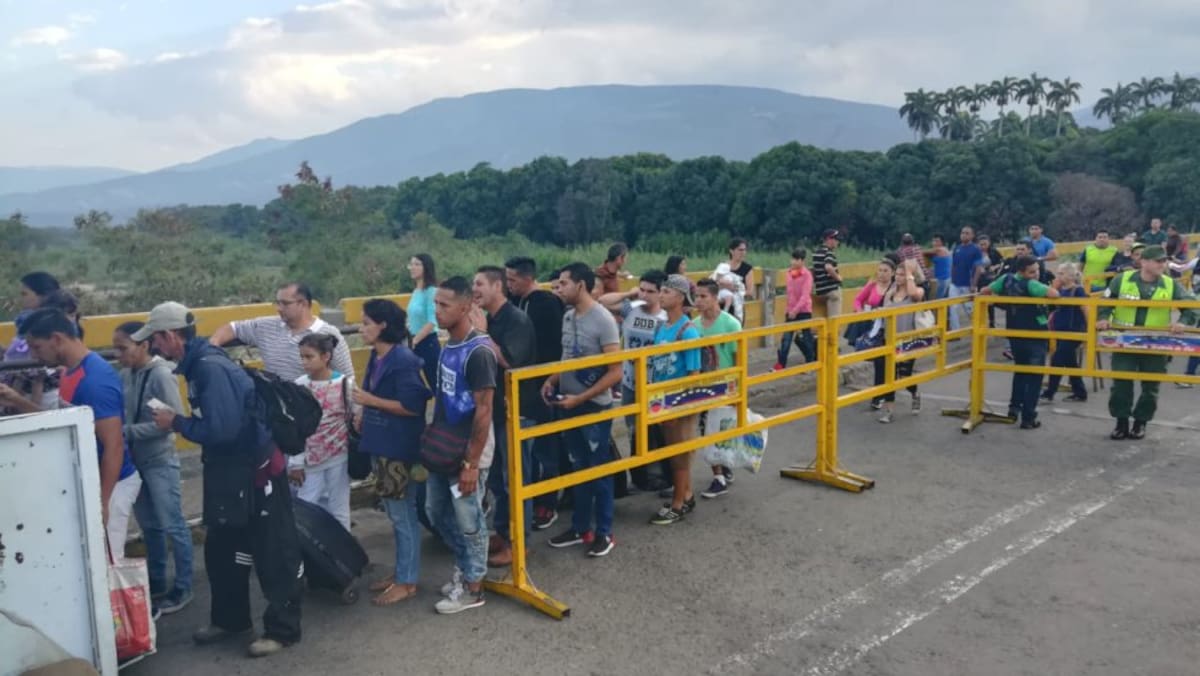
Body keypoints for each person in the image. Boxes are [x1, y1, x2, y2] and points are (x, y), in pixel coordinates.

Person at [137, 302, 303, 657]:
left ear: (170, 336)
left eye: (154, 340)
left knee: (273, 553)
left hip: (257, 474)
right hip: (233, 475)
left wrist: (176, 423)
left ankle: (283, 630)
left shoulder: (209, 369)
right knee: (222, 551)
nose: (153, 348)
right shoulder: (199, 365)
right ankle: (231, 620)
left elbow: (223, 430)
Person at [0, 309, 141, 563]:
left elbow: (114, 446)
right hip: (92, 481)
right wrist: (17, 400)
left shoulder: (95, 380)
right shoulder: (70, 371)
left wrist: (102, 502)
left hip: (110, 484)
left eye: (37, 347)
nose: (34, 355)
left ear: (56, 339)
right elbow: (62, 423)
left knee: (105, 564)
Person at [426, 277, 497, 613]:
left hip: (469, 451)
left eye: (445, 305)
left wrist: (471, 464)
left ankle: (473, 586)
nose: (437, 310)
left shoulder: (478, 351)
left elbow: (484, 410)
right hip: (444, 446)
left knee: (469, 520)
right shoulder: (448, 346)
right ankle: (465, 567)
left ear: (466, 307)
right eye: (436, 304)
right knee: (435, 511)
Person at [113, 321, 193, 616]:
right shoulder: (126, 374)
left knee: (173, 523)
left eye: (123, 348)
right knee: (150, 526)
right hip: (136, 459)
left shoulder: (161, 374)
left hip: (158, 459)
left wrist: (126, 433)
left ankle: (183, 586)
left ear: (144, 345)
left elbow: (173, 419)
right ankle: (158, 581)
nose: (118, 354)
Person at [355, 299, 432, 607]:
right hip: (383, 443)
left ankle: (407, 580)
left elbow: (413, 407)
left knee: (402, 515)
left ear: (382, 325)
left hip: (398, 448)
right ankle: (403, 573)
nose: (361, 329)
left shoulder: (403, 360)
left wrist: (370, 401)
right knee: (398, 513)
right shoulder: (379, 355)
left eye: (365, 323)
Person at [543, 263, 623, 556]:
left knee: (597, 471)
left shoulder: (603, 320)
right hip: (569, 402)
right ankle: (580, 527)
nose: (558, 288)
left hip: (593, 408)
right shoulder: (568, 317)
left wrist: (583, 397)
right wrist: (552, 379)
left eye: (563, 283)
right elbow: (567, 356)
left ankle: (604, 532)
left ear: (581, 285)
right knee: (578, 468)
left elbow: (616, 371)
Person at [1097, 246, 1198, 440]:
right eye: (1158, 261)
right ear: (1143, 262)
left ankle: (1141, 422)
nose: (1163, 264)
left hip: (1155, 343)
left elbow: (1192, 307)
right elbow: (1104, 302)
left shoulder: (1170, 284)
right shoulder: (1122, 279)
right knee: (1121, 383)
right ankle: (1121, 422)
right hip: (1125, 341)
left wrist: (1182, 322)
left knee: (1151, 386)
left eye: (1164, 261)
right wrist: (1102, 317)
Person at [472, 266, 535, 568]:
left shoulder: (516, 320)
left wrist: (482, 334)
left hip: (516, 411)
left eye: (480, 284)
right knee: (496, 478)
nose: (475, 290)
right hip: (494, 408)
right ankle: (503, 531)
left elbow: (509, 360)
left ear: (498, 286)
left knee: (515, 479)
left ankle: (519, 542)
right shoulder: (490, 318)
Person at [504, 256, 566, 529]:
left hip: (543, 385)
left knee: (545, 447)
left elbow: (556, 346)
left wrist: (551, 379)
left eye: (512, 280)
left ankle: (547, 502)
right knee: (525, 450)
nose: (508, 285)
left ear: (528, 279)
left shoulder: (547, 304)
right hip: (520, 387)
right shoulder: (512, 302)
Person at [598, 270, 671, 492]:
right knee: (634, 430)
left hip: (654, 382)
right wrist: (629, 293)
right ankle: (641, 475)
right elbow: (602, 301)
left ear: (661, 293)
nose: (645, 294)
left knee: (658, 430)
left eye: (651, 291)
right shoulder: (632, 310)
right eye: (643, 289)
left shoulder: (665, 319)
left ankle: (664, 476)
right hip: (630, 381)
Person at [979, 255, 1061, 430]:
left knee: (1020, 371)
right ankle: (1029, 417)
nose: (1036, 274)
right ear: (1022, 272)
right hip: (1035, 334)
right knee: (1035, 377)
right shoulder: (1031, 284)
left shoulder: (1006, 279)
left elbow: (985, 290)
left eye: (1037, 270)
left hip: (1014, 332)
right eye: (1032, 271)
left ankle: (1014, 409)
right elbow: (1054, 294)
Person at [210, 282, 352, 382]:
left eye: (285, 303)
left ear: (303, 304)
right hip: (278, 410)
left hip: (316, 410)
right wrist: (213, 346)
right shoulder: (267, 326)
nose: (279, 308)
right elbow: (233, 328)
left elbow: (348, 377)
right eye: (277, 303)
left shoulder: (329, 335)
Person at [647, 274, 703, 526]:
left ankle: (678, 504)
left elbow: (693, 372)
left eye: (667, 292)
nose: (661, 295)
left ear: (680, 298)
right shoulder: (661, 327)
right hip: (661, 398)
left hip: (679, 401)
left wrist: (684, 406)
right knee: (672, 451)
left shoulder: (688, 332)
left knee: (679, 455)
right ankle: (686, 494)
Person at [288, 333, 358, 531]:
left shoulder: (345, 384)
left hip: (339, 455)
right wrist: (296, 462)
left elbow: (355, 415)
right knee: (306, 507)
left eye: (309, 357)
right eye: (302, 357)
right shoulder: (300, 386)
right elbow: (296, 427)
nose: (304, 362)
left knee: (340, 508)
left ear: (326, 356)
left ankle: (343, 554)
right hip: (310, 460)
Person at [693, 279, 742, 499]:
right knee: (706, 430)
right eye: (697, 296)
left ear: (715, 297)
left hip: (725, 385)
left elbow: (737, 359)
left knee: (721, 430)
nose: (699, 301)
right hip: (703, 386)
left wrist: (739, 390)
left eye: (704, 296)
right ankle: (718, 477)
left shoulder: (731, 325)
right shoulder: (693, 325)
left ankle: (722, 468)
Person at [2, 272, 64, 414]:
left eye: (25, 294)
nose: (21, 299)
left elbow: (28, 357)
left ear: (42, 296)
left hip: (38, 391)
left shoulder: (42, 323)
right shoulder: (26, 321)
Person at [878, 259, 927, 423]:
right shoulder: (891, 292)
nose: (899, 278)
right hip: (889, 340)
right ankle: (889, 411)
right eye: (897, 274)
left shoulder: (917, 291)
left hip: (907, 341)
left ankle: (915, 393)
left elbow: (914, 294)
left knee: (905, 376)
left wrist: (910, 274)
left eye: (902, 274)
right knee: (889, 377)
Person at [1040, 263, 1089, 403]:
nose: (1058, 276)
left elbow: (1085, 309)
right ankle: (1080, 392)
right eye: (1058, 273)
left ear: (1070, 276)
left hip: (1074, 330)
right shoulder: (1060, 290)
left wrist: (1090, 329)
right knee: (1070, 362)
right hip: (1061, 330)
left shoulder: (1078, 290)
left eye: (1061, 273)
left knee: (1057, 360)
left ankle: (1050, 392)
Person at [855, 259, 896, 410]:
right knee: (879, 363)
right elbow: (858, 300)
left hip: (890, 329)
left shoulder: (895, 288)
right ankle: (879, 395)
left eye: (886, 271)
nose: (882, 274)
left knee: (889, 364)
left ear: (892, 273)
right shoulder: (872, 286)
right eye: (880, 270)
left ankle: (883, 395)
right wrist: (860, 313)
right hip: (874, 328)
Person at [775, 248, 816, 369]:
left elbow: (805, 295)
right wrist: (789, 310)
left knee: (806, 336)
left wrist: (795, 310)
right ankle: (781, 363)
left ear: (802, 261)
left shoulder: (807, 275)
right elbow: (790, 294)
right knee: (786, 338)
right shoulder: (789, 273)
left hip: (804, 310)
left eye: (797, 259)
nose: (793, 262)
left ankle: (810, 361)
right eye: (793, 258)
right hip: (791, 310)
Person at [406, 253, 441, 390]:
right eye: (411, 264)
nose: (412, 267)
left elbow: (432, 321)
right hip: (414, 343)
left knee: (436, 385)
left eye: (417, 264)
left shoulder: (431, 291)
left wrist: (415, 341)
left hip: (427, 344)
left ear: (426, 267)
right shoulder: (416, 291)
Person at [948, 226, 983, 331]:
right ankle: (955, 331)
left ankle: (977, 329)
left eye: (967, 233)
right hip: (955, 283)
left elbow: (978, 268)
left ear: (972, 235)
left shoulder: (975, 249)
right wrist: (952, 279)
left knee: (970, 309)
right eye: (962, 233)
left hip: (968, 284)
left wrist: (974, 284)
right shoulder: (957, 248)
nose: (964, 235)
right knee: (952, 308)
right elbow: (954, 265)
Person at [812, 229, 844, 317]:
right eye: (836, 239)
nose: (838, 242)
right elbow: (828, 267)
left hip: (820, 290)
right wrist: (838, 277)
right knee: (835, 320)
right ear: (829, 239)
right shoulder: (829, 252)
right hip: (831, 290)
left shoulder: (816, 253)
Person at [977, 235, 1004, 327]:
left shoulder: (993, 252)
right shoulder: (975, 253)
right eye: (981, 244)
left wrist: (995, 267)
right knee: (980, 300)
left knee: (990, 301)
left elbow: (1002, 262)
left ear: (989, 243)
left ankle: (991, 321)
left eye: (985, 244)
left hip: (990, 278)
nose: (983, 246)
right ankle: (980, 322)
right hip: (979, 279)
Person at [930, 234, 952, 299]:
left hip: (943, 280)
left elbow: (923, 252)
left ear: (942, 242)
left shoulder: (940, 249)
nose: (934, 243)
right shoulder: (944, 250)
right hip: (945, 279)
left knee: (938, 300)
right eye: (933, 241)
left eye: (936, 241)